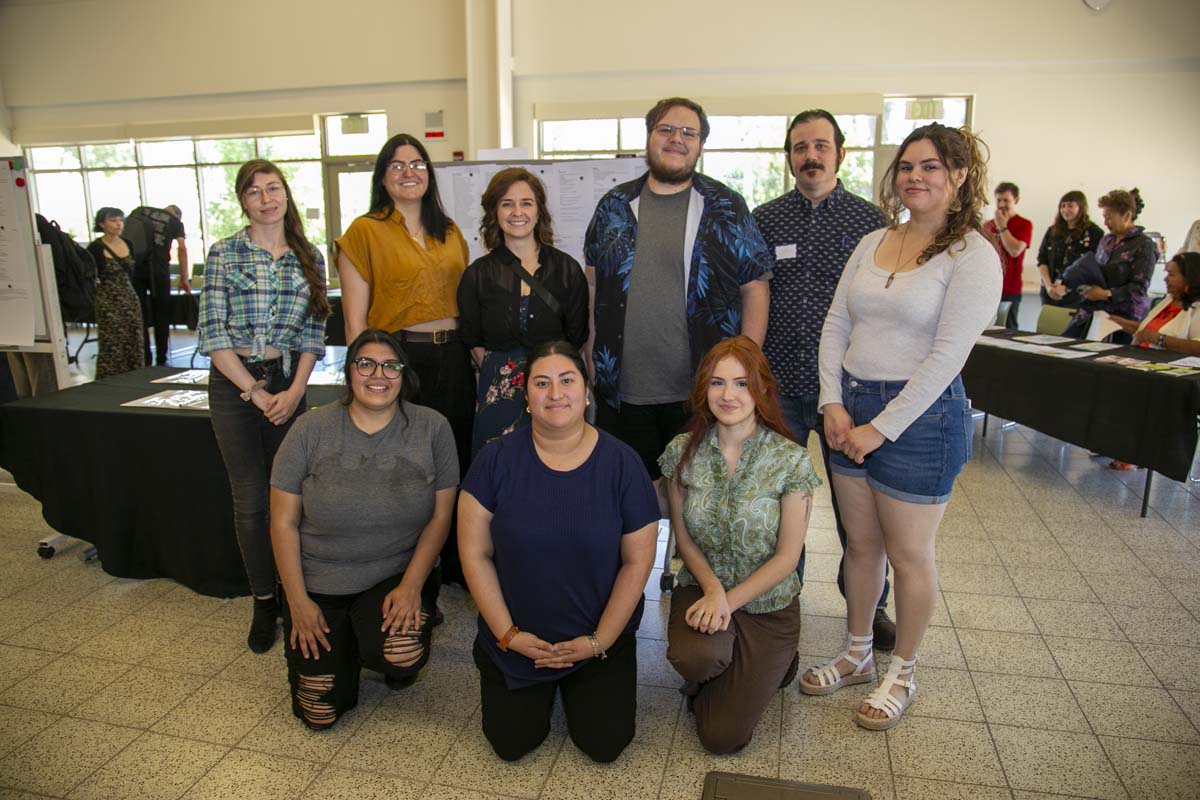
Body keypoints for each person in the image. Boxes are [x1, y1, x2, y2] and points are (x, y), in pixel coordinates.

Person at [800, 124, 1001, 731]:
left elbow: (946, 358)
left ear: (960, 176)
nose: (915, 176)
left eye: (932, 166)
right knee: (861, 547)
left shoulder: (973, 256)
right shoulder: (872, 241)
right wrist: (833, 404)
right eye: (907, 165)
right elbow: (836, 324)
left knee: (909, 555)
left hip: (920, 418)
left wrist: (880, 429)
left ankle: (902, 671)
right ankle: (859, 653)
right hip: (851, 405)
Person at [457, 340, 658, 763]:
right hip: (515, 638)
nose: (555, 393)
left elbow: (638, 562)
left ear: (586, 391)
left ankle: (585, 678)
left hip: (596, 639)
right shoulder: (494, 461)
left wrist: (599, 640)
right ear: (526, 396)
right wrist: (508, 634)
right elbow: (474, 553)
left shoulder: (623, 465)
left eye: (567, 381)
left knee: (605, 744)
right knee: (511, 744)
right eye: (541, 383)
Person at [753, 109, 894, 648]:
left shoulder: (872, 222)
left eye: (820, 146)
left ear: (841, 152)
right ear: (788, 156)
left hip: (849, 389)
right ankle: (782, 594)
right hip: (779, 385)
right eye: (799, 147)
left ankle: (868, 605)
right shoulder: (764, 219)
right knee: (782, 498)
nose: (809, 156)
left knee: (856, 505)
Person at [269, 329, 457, 730]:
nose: (379, 374)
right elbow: (282, 522)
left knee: (400, 653)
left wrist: (411, 586)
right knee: (319, 714)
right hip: (320, 580)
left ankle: (375, 649)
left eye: (391, 366)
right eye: (366, 363)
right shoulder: (308, 430)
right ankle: (346, 648)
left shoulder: (433, 428)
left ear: (404, 375)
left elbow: (441, 517)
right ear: (349, 373)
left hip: (394, 575)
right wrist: (298, 603)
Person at [585, 96, 774, 486]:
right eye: (666, 129)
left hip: (701, 395)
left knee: (695, 505)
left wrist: (744, 368)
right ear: (649, 137)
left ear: (701, 144)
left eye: (689, 132)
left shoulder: (727, 206)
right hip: (622, 391)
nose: (677, 139)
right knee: (630, 501)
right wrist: (589, 354)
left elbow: (755, 287)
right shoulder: (614, 206)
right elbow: (592, 284)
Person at [661, 336, 819, 754]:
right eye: (717, 383)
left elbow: (787, 558)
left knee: (721, 738)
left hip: (768, 606)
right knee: (695, 658)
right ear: (703, 390)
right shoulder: (682, 452)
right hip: (702, 589)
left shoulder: (791, 460)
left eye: (741, 383)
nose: (728, 395)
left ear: (762, 389)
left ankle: (774, 663)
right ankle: (718, 666)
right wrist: (712, 590)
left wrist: (727, 603)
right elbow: (684, 537)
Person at [197, 159, 329, 653]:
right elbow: (213, 333)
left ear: (286, 196)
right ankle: (263, 600)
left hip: (286, 384)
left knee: (290, 497)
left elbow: (314, 333)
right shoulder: (224, 254)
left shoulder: (307, 255)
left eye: (274, 189)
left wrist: (294, 392)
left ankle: (298, 593)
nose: (266, 198)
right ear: (243, 201)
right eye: (255, 191)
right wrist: (253, 391)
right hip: (234, 384)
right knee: (251, 500)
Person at [336, 133, 473, 585]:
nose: (408, 172)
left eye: (417, 164)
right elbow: (355, 322)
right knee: (407, 462)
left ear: (429, 174)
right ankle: (410, 568)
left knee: (454, 459)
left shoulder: (450, 231)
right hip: (400, 361)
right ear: (383, 177)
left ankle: (456, 562)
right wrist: (364, 376)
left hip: (453, 357)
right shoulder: (364, 231)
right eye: (397, 165)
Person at [457, 167, 588, 455]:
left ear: (539, 210)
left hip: (555, 395)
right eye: (507, 203)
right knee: (499, 474)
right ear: (495, 212)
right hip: (498, 397)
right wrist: (505, 374)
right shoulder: (477, 275)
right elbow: (473, 342)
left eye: (526, 203)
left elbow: (577, 336)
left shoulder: (567, 270)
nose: (517, 212)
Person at [1057, 189, 1156, 343]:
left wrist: (1106, 294)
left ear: (1127, 216)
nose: (1105, 222)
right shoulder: (1106, 241)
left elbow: (1140, 288)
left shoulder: (1145, 244)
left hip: (1125, 320)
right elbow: (1096, 272)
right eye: (1104, 217)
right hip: (1098, 314)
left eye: (1109, 217)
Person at [125, 204, 188, 365]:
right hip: (159, 270)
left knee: (141, 314)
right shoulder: (175, 222)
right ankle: (162, 357)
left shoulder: (141, 211)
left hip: (136, 268)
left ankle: (145, 356)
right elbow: (181, 248)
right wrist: (184, 277)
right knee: (162, 315)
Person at [86, 207, 145, 378]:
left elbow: (132, 274)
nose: (118, 224)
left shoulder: (128, 244)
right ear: (102, 224)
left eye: (121, 220)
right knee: (111, 340)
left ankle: (134, 374)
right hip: (107, 299)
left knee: (134, 336)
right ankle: (110, 377)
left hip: (129, 296)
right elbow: (91, 276)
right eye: (113, 220)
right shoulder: (95, 248)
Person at [1111, 252, 1200, 354]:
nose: (1165, 279)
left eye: (1171, 274)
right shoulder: (1170, 299)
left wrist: (1160, 339)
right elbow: (1158, 329)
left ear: (1189, 278)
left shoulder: (1197, 307)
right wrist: (1126, 324)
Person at [1037, 190, 1104, 307]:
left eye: (1070, 206)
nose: (1066, 210)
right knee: (1048, 324)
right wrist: (1048, 286)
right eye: (1063, 206)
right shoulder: (1052, 231)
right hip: (1050, 292)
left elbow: (1093, 266)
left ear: (1081, 207)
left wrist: (1067, 287)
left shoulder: (1094, 233)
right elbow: (1042, 260)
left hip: (1077, 296)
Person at [982, 182, 1032, 329]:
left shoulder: (1024, 224)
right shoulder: (987, 225)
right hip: (990, 287)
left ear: (1016, 200)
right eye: (999, 200)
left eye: (1006, 200)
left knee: (1009, 331)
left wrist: (1002, 227)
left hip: (1010, 288)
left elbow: (1014, 250)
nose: (1002, 204)